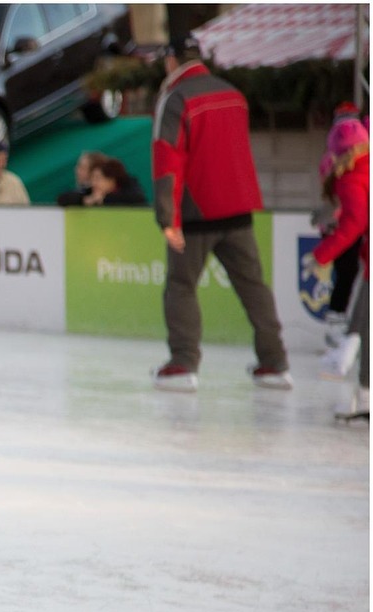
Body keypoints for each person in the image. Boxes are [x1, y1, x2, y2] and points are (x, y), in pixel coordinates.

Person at [150, 37, 290, 393]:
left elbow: (168, 159)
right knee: (254, 288)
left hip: (197, 212)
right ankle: (274, 364)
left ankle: (183, 364)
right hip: (238, 208)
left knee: (181, 288)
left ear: (171, 62)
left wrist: (168, 218)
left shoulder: (177, 98)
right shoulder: (234, 94)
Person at [307, 118, 369, 420]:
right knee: (362, 321)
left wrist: (321, 255)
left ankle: (367, 394)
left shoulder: (353, 176)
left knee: (365, 325)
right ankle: (364, 391)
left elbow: (354, 223)